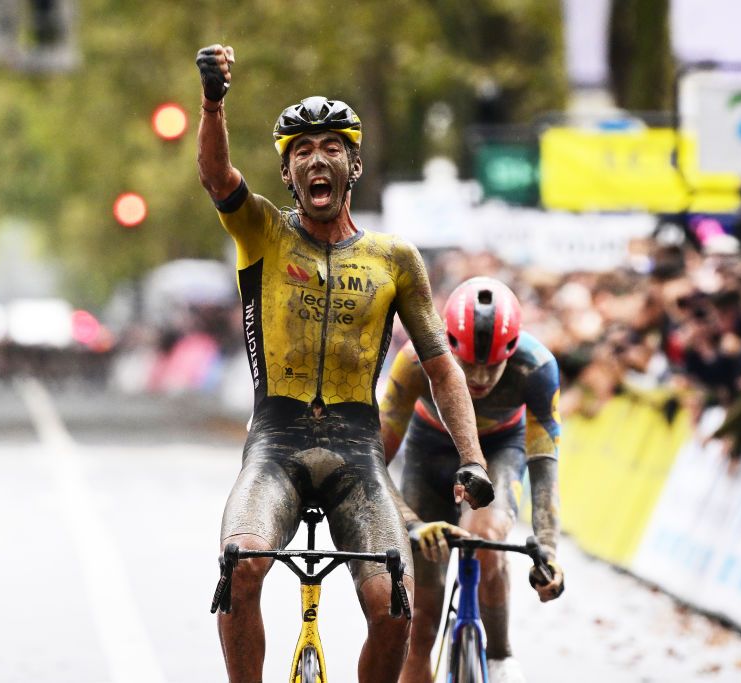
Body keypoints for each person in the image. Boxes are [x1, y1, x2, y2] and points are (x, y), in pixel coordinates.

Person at [195, 44, 496, 683]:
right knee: (239, 563)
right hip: (276, 445)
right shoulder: (264, 233)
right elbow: (218, 176)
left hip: (358, 453)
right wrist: (213, 102)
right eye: (300, 152)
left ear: (353, 163)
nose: (315, 159)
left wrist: (472, 459)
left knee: (394, 606)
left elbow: (442, 366)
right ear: (288, 174)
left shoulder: (395, 259)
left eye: (330, 146)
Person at [379, 277, 565, 683]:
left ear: (512, 352)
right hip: (430, 451)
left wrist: (547, 548)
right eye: (468, 365)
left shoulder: (537, 368)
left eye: (493, 365)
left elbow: (544, 461)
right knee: (422, 612)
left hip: (501, 447)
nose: (480, 377)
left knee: (486, 534)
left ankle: (499, 656)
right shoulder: (414, 362)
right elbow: (374, 461)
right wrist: (412, 522)